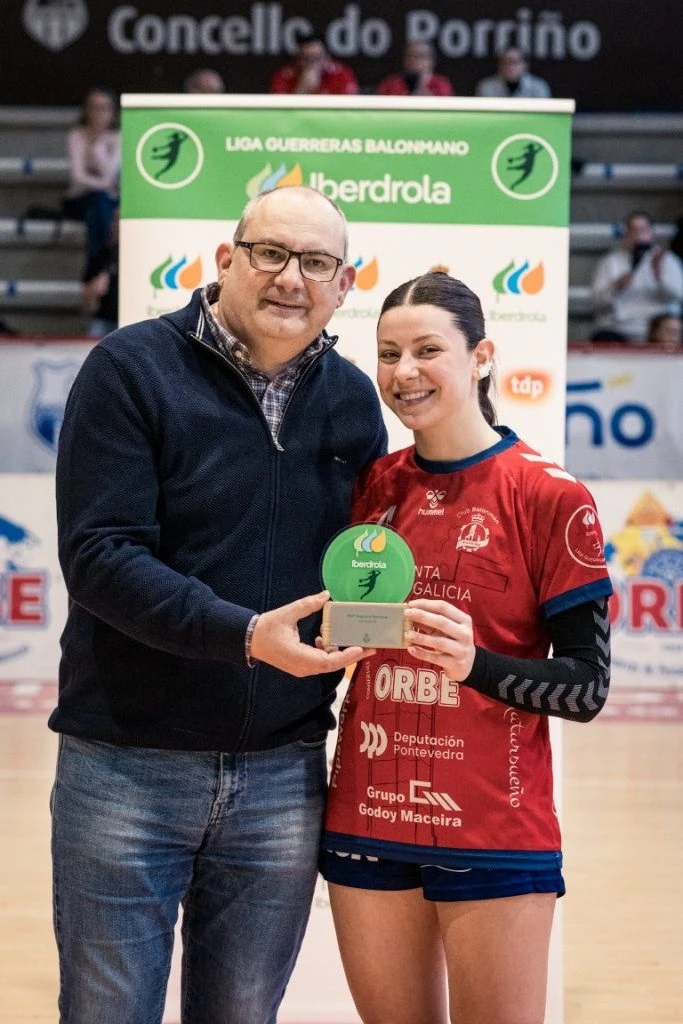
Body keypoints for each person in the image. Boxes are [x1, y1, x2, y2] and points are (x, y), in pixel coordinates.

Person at [50, 184, 387, 1024]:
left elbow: (362, 571)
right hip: (125, 764)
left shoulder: (350, 400)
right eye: (271, 254)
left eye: (316, 263)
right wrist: (242, 635)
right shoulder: (129, 368)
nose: (290, 279)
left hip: (282, 771)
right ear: (227, 259)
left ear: (344, 285)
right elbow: (100, 556)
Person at [320, 271, 613, 1024]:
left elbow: (585, 686)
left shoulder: (549, 495)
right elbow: (344, 634)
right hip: (366, 813)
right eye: (387, 354)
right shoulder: (372, 486)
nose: (403, 372)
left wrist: (474, 664)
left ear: (481, 355)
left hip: (493, 829)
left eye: (426, 350)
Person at [590, 210, 683, 342]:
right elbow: (596, 302)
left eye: (643, 230)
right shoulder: (610, 262)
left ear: (651, 232)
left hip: (658, 329)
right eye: (633, 230)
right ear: (625, 234)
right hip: (620, 328)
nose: (638, 235)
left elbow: (678, 296)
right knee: (603, 338)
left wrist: (660, 276)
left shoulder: (666, 259)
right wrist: (616, 286)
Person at [62, 86, 120, 268]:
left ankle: (97, 269)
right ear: (86, 110)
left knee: (102, 206)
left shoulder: (118, 137)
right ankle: (102, 266)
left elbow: (109, 171)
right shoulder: (76, 136)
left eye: (104, 108)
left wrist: (98, 145)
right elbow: (78, 177)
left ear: (112, 112)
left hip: (106, 201)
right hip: (80, 198)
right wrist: (107, 184)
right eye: (94, 107)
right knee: (98, 204)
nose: (98, 113)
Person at [269, 32, 359, 95]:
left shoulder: (341, 74)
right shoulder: (285, 76)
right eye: (307, 59)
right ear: (298, 59)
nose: (313, 64)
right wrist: (302, 89)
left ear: (326, 57)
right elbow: (280, 113)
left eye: (317, 58)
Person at [81, 208, 119, 337]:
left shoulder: (141, 259)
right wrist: (93, 292)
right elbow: (86, 309)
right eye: (114, 221)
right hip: (104, 320)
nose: (116, 226)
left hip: (132, 320)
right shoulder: (101, 257)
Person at [376, 41, 454, 97]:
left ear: (431, 60)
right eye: (411, 55)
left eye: (421, 56)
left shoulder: (442, 84)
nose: (415, 60)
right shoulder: (390, 83)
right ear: (404, 59)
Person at [475, 46, 551, 98]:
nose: (509, 66)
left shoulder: (539, 87)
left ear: (525, 65)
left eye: (514, 62)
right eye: (504, 62)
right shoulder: (486, 86)